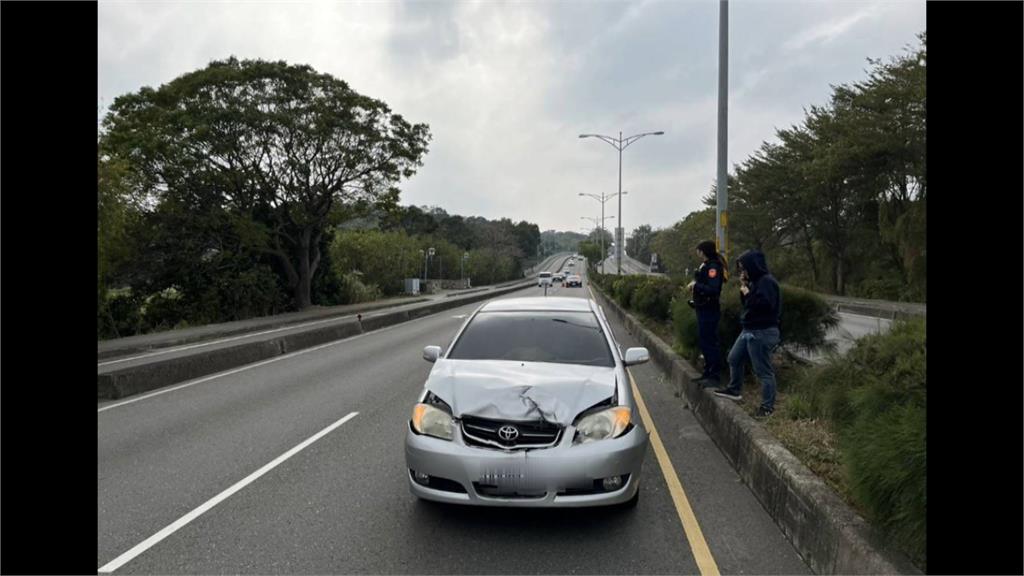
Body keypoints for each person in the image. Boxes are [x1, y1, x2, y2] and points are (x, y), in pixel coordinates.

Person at [714, 249, 782, 418]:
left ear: (753, 266)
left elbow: (764, 305)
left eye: (744, 268)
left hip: (762, 331)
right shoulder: (756, 282)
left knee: (763, 371)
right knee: (734, 358)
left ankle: (767, 407)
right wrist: (744, 288)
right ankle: (734, 389)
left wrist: (748, 293)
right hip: (749, 329)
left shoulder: (767, 282)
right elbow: (749, 305)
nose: (742, 272)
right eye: (741, 269)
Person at [687, 240, 725, 387]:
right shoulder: (706, 265)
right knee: (704, 341)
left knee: (710, 343)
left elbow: (714, 289)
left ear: (703, 251)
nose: (698, 253)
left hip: (710, 310)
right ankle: (707, 373)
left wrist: (696, 286)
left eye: (699, 250)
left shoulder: (713, 267)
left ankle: (714, 376)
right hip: (703, 308)